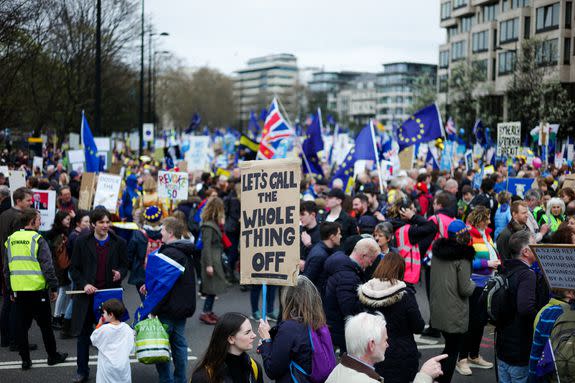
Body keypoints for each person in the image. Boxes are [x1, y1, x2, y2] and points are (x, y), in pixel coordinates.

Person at [70, 208, 129, 383]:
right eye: (101, 222)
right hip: (87, 296)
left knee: (112, 335)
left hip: (109, 297)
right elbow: (74, 269)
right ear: (93, 224)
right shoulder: (81, 242)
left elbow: (125, 265)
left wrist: (120, 273)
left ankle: (113, 371)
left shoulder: (119, 242)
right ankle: (82, 371)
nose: (105, 225)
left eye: (107, 222)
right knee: (83, 335)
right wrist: (84, 284)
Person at [4, 208, 68, 369]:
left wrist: (10, 289)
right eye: (39, 220)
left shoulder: (10, 240)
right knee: (45, 326)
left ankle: (25, 361)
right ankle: (52, 356)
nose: (40, 222)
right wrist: (54, 287)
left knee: (22, 327)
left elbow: (6, 268)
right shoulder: (37, 239)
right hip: (38, 291)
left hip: (19, 291)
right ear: (32, 221)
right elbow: (48, 267)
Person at [141, 217, 196, 383]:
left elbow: (162, 286)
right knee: (179, 345)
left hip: (166, 308)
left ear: (170, 232)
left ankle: (166, 379)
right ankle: (180, 379)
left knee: (161, 347)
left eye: (163, 230)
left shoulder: (169, 253)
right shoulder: (185, 251)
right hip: (182, 307)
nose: (160, 232)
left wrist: (152, 309)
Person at [358, 252, 425, 383]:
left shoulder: (366, 293)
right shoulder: (405, 295)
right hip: (402, 355)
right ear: (400, 270)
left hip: (374, 352)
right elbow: (418, 326)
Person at [325, 312, 446, 383]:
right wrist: (425, 375)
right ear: (371, 345)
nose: (387, 344)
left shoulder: (337, 370)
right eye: (385, 340)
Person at [495, 231, 549, 383]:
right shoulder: (527, 274)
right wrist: (541, 319)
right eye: (534, 245)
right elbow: (525, 308)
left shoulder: (506, 268)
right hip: (519, 349)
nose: (537, 247)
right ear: (526, 252)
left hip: (503, 346)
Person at [257, 275, 331, 382]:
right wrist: (269, 342)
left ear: (288, 299)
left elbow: (272, 370)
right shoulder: (319, 322)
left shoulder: (289, 328)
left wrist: (266, 340)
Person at [430, 219, 476, 383]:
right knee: (452, 350)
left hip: (439, 308)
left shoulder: (437, 252)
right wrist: (474, 284)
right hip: (454, 311)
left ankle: (435, 376)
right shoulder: (463, 256)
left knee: (449, 347)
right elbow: (465, 288)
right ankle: (441, 379)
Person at [458, 206, 499, 375]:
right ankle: (461, 359)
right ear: (480, 219)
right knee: (470, 324)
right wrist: (487, 264)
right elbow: (464, 260)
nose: (490, 221)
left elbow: (490, 252)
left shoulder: (486, 234)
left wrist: (496, 261)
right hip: (474, 284)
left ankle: (474, 355)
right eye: (487, 218)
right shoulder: (468, 235)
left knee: (480, 322)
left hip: (486, 284)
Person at [323, 238, 380, 353]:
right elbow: (349, 308)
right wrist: (369, 299)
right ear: (364, 255)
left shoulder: (346, 269)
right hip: (342, 330)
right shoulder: (348, 276)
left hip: (336, 326)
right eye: (371, 259)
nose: (371, 264)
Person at [0, 187, 34, 350]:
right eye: (28, 200)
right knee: (15, 305)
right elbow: (19, 244)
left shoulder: (4, 214)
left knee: (8, 302)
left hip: (6, 263)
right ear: (18, 201)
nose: (31, 202)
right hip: (15, 267)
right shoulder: (19, 218)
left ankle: (6, 338)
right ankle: (16, 340)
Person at [192, 312, 263, 383]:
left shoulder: (254, 367)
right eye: (247, 332)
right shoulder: (204, 377)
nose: (254, 335)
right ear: (231, 339)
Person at [386, 198, 437, 286]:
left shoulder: (394, 224)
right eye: (411, 209)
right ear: (403, 211)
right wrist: (413, 217)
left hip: (397, 272)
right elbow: (431, 227)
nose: (414, 210)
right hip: (406, 275)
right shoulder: (408, 230)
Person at [528, 288, 575, 382]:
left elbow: (536, 353)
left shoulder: (548, 313)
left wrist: (532, 378)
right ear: (570, 293)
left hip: (552, 377)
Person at [199, 197, 229, 325]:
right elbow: (206, 246)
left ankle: (208, 311)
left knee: (213, 287)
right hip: (211, 258)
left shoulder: (213, 224)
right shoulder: (208, 226)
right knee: (211, 287)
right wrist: (209, 265)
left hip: (215, 257)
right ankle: (206, 312)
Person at [90, 299, 134, 383]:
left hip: (107, 367)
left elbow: (94, 339)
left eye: (104, 313)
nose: (102, 315)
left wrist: (99, 324)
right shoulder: (127, 328)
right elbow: (132, 346)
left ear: (110, 315)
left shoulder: (104, 329)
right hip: (123, 365)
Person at [127, 205, 163, 301]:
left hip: (141, 273)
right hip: (160, 273)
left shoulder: (138, 234)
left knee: (145, 300)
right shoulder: (164, 234)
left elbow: (130, 254)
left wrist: (131, 268)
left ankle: (147, 315)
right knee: (157, 300)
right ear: (160, 218)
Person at [45, 210, 72, 329]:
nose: (69, 221)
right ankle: (56, 317)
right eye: (67, 219)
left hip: (61, 265)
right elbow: (59, 252)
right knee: (62, 291)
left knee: (65, 291)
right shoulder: (59, 235)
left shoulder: (61, 232)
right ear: (61, 220)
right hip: (60, 266)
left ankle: (60, 315)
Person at [302, 222, 341, 292]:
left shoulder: (322, 250)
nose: (341, 236)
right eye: (339, 234)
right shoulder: (320, 256)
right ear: (332, 237)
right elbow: (308, 282)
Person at [299, 201, 321, 269]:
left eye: (302, 214)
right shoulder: (298, 231)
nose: (300, 217)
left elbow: (321, 256)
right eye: (299, 214)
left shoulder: (322, 232)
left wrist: (308, 245)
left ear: (313, 215)